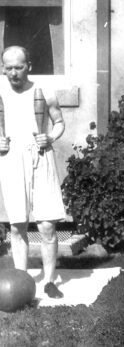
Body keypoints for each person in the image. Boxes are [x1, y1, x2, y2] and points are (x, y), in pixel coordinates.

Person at [0, 46, 66, 298]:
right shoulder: (0, 92)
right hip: (11, 159)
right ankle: (21, 280)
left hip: (40, 156)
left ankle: (50, 281)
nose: (13, 73)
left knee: (47, 225)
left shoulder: (43, 91)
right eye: (8, 68)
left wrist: (50, 137)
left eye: (18, 67)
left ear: (29, 65)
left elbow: (59, 122)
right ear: (3, 67)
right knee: (17, 227)